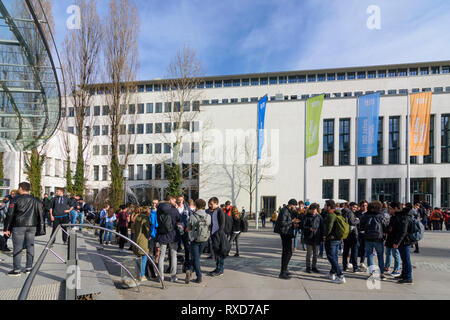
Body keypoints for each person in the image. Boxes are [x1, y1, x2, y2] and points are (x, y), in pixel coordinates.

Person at [3, 182, 45, 276]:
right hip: (32, 226)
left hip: (18, 226)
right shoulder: (36, 200)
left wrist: (6, 228)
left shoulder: (15, 199)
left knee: (17, 247)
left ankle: (17, 269)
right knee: (30, 246)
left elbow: (10, 215)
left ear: (21, 188)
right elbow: (40, 213)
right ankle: (29, 268)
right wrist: (40, 227)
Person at [360, 201, 389, 280]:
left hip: (368, 237)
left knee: (369, 255)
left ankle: (371, 273)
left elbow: (361, 227)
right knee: (380, 256)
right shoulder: (381, 215)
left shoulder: (365, 215)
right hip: (378, 238)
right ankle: (381, 273)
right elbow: (385, 226)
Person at [157, 195, 182, 282]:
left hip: (162, 234)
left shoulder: (159, 209)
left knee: (161, 256)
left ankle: (161, 276)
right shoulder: (174, 210)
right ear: (170, 200)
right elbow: (179, 219)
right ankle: (173, 276)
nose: (175, 202)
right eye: (174, 200)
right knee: (173, 256)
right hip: (173, 235)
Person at [187, 199, 212, 284]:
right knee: (196, 257)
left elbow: (189, 228)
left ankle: (199, 276)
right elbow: (209, 226)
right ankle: (190, 270)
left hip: (194, 239)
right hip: (204, 239)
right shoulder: (208, 216)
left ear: (196, 206)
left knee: (195, 258)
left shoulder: (192, 216)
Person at [274, 199, 300, 280]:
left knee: (289, 252)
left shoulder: (288, 210)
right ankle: (282, 272)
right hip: (285, 233)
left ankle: (285, 269)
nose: (295, 207)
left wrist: (294, 223)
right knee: (287, 252)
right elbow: (283, 223)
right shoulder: (285, 210)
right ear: (291, 205)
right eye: (295, 206)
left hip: (287, 232)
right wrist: (292, 221)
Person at [322, 200, 346, 284]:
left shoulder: (331, 215)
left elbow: (329, 228)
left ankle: (340, 275)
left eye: (325, 205)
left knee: (331, 257)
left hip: (331, 239)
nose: (324, 207)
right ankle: (332, 273)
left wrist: (324, 236)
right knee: (334, 257)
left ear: (329, 207)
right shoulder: (338, 214)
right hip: (337, 239)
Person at [392, 203, 415, 284]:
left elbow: (403, 231)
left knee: (406, 259)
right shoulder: (403, 216)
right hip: (404, 240)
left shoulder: (405, 217)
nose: (391, 210)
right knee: (404, 259)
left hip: (405, 241)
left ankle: (408, 277)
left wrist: (397, 242)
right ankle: (404, 274)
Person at [207, 197, 229, 277]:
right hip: (214, 234)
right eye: (209, 204)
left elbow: (222, 225)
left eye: (211, 204)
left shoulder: (220, 211)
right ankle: (217, 268)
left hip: (218, 235)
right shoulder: (214, 211)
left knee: (220, 253)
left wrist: (217, 234)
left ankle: (220, 269)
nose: (210, 205)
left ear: (216, 203)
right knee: (216, 253)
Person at [132, 207, 151, 283]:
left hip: (137, 239)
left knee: (138, 257)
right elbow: (147, 230)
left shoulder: (138, 217)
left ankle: (137, 274)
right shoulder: (145, 219)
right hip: (143, 240)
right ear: (147, 212)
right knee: (144, 257)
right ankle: (142, 275)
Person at [303, 203, 322, 273]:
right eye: (313, 210)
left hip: (317, 237)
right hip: (309, 237)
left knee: (316, 254)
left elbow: (322, 227)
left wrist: (322, 237)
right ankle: (308, 267)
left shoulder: (319, 217)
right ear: (310, 210)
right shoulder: (306, 216)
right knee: (309, 253)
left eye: (315, 210)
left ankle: (314, 266)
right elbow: (303, 226)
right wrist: (309, 229)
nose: (314, 211)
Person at [176, 195, 194, 273]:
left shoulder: (186, 208)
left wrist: (189, 227)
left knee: (186, 246)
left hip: (186, 230)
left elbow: (191, 217)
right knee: (175, 247)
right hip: (176, 230)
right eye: (178, 200)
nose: (180, 201)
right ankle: (174, 263)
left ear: (183, 200)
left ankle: (187, 262)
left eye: (181, 200)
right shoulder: (175, 208)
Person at [384, 202, 402, 277]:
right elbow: (390, 228)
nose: (389, 210)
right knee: (388, 253)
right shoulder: (392, 217)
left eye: (390, 209)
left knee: (396, 254)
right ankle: (387, 266)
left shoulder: (399, 218)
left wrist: (397, 242)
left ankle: (397, 269)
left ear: (395, 209)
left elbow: (400, 231)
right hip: (389, 238)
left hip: (395, 239)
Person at [342, 202, 360, 273]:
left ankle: (344, 266)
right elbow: (352, 222)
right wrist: (358, 220)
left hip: (346, 234)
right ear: (350, 206)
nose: (355, 208)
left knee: (345, 251)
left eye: (356, 207)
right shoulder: (350, 213)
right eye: (354, 207)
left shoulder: (344, 212)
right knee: (354, 251)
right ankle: (355, 268)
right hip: (352, 234)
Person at [355, 200, 368, 271]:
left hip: (365, 233)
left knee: (364, 248)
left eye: (366, 205)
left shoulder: (368, 213)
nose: (365, 207)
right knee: (356, 247)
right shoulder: (357, 213)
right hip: (358, 232)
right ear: (360, 206)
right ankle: (353, 262)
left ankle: (362, 262)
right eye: (363, 206)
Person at [148, 199, 159, 279]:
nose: (154, 204)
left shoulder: (159, 212)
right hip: (150, 236)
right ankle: (151, 271)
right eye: (153, 203)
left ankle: (157, 269)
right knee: (150, 253)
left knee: (157, 252)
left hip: (158, 235)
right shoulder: (148, 212)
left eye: (156, 203)